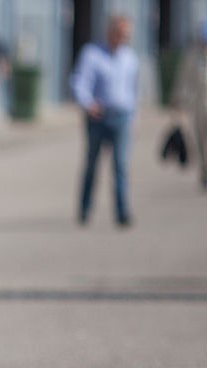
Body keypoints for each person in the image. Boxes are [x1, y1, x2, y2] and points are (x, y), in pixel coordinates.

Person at [70, 15, 139, 228]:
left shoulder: (130, 58)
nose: (124, 38)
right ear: (110, 32)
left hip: (121, 116)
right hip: (98, 116)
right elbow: (79, 81)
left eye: (127, 34)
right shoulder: (92, 54)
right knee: (92, 165)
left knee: (120, 166)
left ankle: (121, 212)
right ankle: (84, 209)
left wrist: (132, 115)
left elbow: (133, 90)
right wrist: (88, 103)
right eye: (120, 33)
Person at [172, 19, 207, 191]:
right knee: (200, 140)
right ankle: (204, 172)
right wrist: (178, 99)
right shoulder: (193, 56)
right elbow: (183, 79)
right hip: (199, 106)